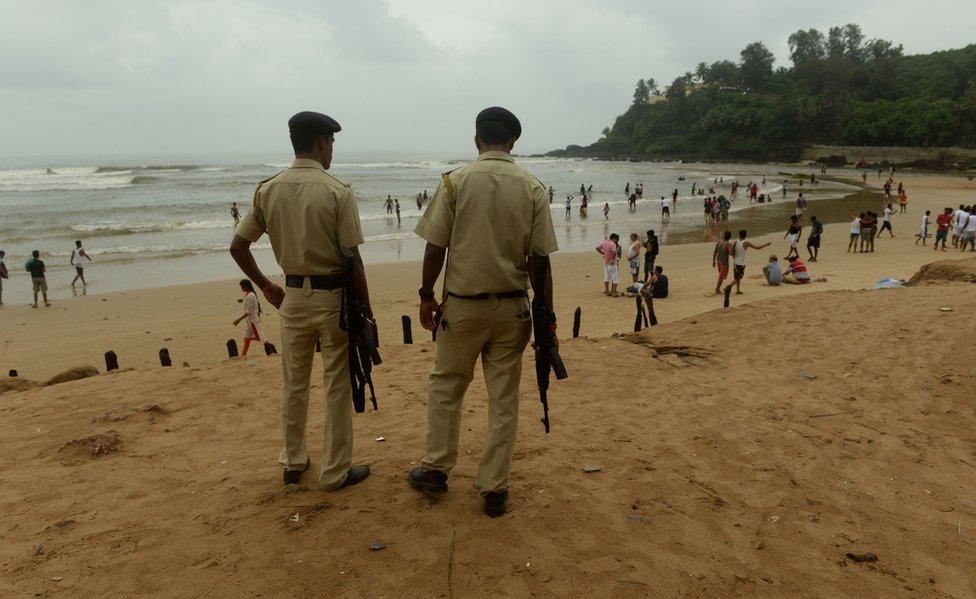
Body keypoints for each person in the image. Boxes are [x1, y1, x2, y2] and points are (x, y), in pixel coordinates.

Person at [408, 107, 558, 518]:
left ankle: (437, 468)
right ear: (512, 143)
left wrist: (425, 294)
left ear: (476, 140)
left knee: (446, 387)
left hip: (463, 306)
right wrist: (547, 314)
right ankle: (494, 488)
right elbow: (539, 260)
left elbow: (435, 245)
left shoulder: (456, 182)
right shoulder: (532, 187)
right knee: (504, 398)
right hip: (513, 308)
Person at [229, 110, 373, 491]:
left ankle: (293, 462)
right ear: (321, 142)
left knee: (294, 383)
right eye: (332, 144)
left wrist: (265, 286)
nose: (332, 152)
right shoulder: (337, 190)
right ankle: (334, 471)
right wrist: (368, 313)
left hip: (291, 297)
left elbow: (238, 246)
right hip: (333, 299)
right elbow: (352, 258)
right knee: (337, 384)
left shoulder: (268, 189)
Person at [727, 230, 770, 295]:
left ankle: (738, 290)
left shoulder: (735, 242)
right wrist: (766, 244)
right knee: (738, 278)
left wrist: (734, 259)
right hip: (741, 264)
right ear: (745, 235)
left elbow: (732, 253)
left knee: (737, 277)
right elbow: (757, 248)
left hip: (735, 263)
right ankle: (728, 287)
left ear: (739, 235)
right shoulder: (746, 243)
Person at [233, 279, 265, 357]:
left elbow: (248, 312)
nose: (241, 288)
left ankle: (270, 351)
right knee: (246, 338)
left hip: (253, 321)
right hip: (250, 322)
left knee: (262, 338)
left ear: (246, 286)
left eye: (241, 286)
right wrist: (242, 300)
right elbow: (248, 303)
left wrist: (238, 320)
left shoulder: (250, 296)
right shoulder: (249, 295)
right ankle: (243, 355)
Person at [712, 230, 732, 295]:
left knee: (721, 276)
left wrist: (713, 261)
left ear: (724, 235)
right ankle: (717, 289)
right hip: (724, 263)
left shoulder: (719, 242)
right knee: (721, 276)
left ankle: (717, 288)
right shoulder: (728, 244)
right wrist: (734, 250)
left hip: (719, 261)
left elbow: (715, 251)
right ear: (730, 237)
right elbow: (730, 253)